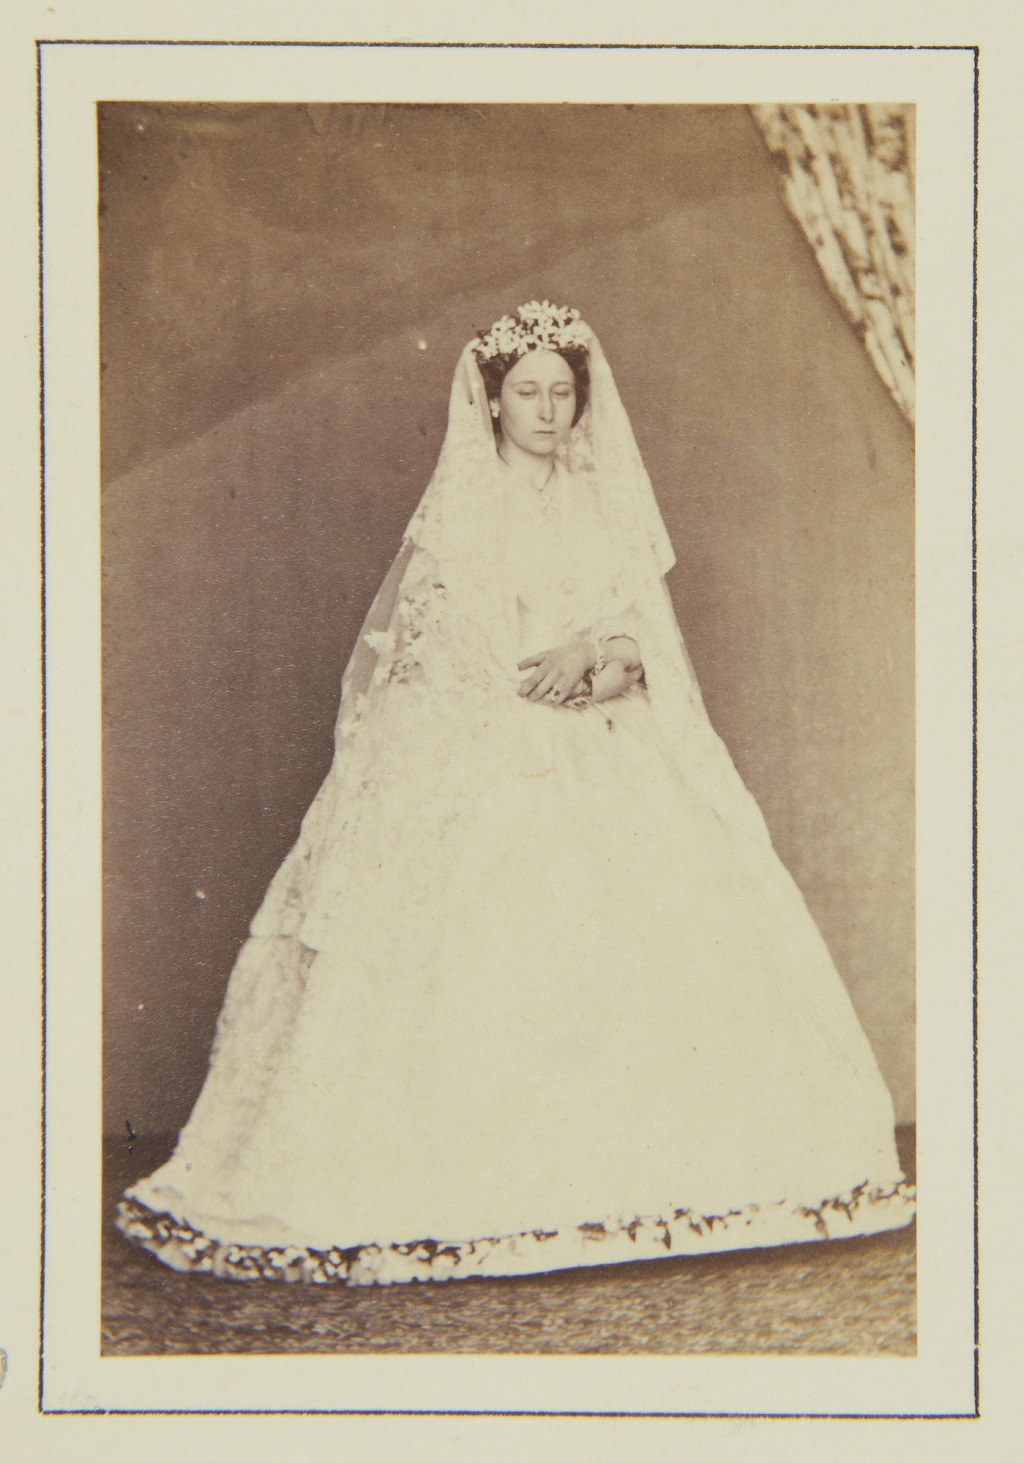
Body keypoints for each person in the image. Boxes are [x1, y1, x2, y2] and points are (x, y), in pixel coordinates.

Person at [117, 301, 915, 1286]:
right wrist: (527, 684)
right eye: (527, 392)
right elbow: (425, 657)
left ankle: (649, 1178)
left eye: (561, 393)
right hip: (490, 744)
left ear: (582, 403)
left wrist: (603, 652)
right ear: (492, 402)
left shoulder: (602, 507)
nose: (545, 410)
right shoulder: (461, 513)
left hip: (607, 743)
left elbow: (649, 645)